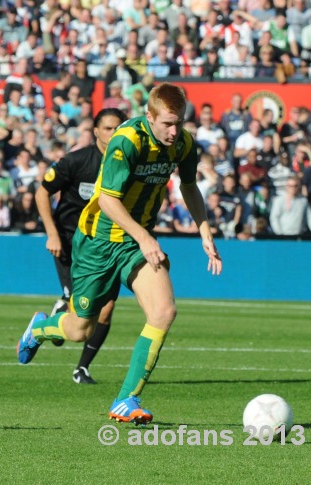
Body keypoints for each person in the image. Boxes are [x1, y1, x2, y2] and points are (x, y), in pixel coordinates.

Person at [16, 83, 222, 425]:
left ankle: (126, 398)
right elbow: (108, 200)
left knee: (164, 311)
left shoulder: (183, 144)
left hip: (135, 243)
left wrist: (205, 232)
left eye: (179, 123)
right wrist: (145, 237)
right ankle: (38, 330)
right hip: (97, 242)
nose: (174, 131)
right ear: (149, 116)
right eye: (167, 123)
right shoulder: (127, 140)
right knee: (78, 329)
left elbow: (188, 186)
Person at [34, 108, 126, 385]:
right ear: (96, 131)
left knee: (107, 308)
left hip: (108, 244)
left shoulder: (128, 163)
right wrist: (51, 233)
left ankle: (81, 368)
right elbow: (42, 193)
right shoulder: (77, 161)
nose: (113, 134)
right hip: (71, 242)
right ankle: (52, 321)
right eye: (108, 128)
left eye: (118, 128)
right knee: (79, 316)